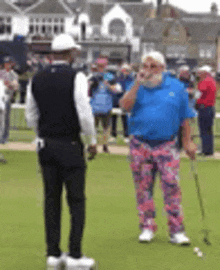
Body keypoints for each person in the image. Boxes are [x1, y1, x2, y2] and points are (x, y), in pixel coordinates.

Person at [25, 33, 97, 270]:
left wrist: (42, 133)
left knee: (51, 199)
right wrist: (92, 139)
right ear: (71, 53)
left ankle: (53, 255)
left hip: (46, 144)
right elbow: (83, 111)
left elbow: (30, 114)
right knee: (76, 199)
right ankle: (75, 255)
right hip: (70, 144)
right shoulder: (76, 76)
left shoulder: (37, 77)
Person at [119, 51, 197, 245]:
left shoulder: (176, 87)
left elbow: (184, 117)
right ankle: (147, 226)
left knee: (172, 186)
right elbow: (124, 106)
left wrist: (188, 141)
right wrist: (137, 83)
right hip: (140, 143)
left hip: (167, 144)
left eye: (153, 66)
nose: (148, 70)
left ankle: (176, 230)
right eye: (145, 66)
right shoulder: (137, 86)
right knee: (143, 187)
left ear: (162, 68)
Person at [89, 56, 122, 153]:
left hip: (105, 106)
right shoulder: (94, 76)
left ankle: (104, 145)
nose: (101, 68)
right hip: (96, 106)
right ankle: (94, 145)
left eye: (102, 66)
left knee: (105, 128)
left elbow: (116, 90)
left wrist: (108, 85)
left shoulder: (108, 76)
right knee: (95, 128)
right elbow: (89, 90)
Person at [109, 63, 134, 144]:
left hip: (124, 101)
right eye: (124, 70)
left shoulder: (131, 79)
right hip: (115, 100)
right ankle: (113, 136)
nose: (125, 72)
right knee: (114, 118)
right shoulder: (116, 78)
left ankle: (126, 136)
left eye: (127, 70)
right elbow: (112, 88)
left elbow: (130, 89)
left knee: (125, 118)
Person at [196, 65, 216, 156]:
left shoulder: (204, 81)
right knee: (208, 130)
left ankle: (206, 150)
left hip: (204, 107)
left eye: (200, 72)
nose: (199, 74)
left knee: (204, 129)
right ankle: (208, 150)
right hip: (210, 107)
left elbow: (200, 93)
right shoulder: (212, 81)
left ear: (205, 72)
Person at [0, 56, 19, 144]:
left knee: (6, 119)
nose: (7, 65)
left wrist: (9, 84)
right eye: (6, 63)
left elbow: (15, 86)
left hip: (7, 97)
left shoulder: (13, 74)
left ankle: (4, 138)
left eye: (9, 63)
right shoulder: (1, 73)